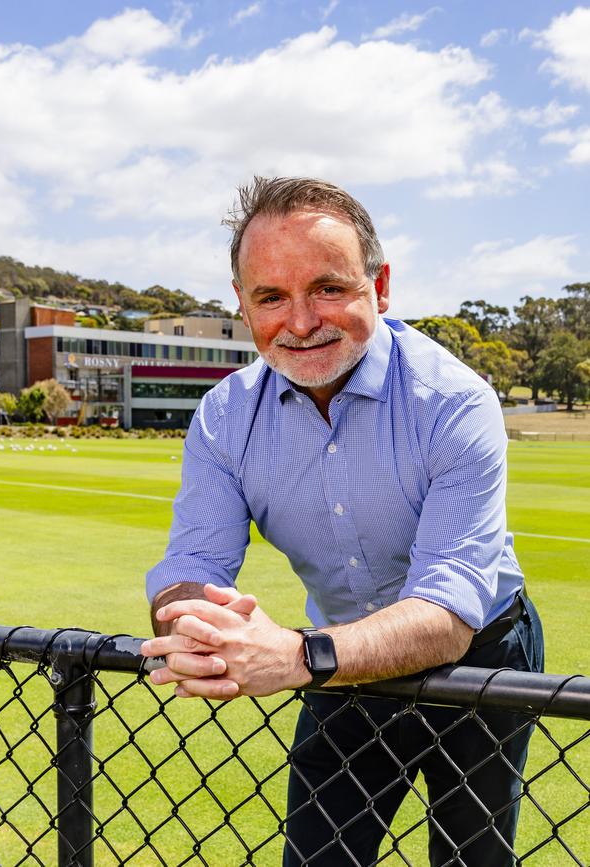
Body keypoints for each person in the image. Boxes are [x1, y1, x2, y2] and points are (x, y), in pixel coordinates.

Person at [141, 176, 545, 866]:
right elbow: (191, 567)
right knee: (317, 856)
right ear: (243, 305)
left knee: (472, 856)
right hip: (338, 660)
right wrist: (193, 627)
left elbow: (447, 613)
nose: (300, 322)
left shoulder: (454, 401)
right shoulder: (223, 416)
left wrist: (294, 655)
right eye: (271, 296)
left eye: (328, 287)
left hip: (481, 648)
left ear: (380, 287)